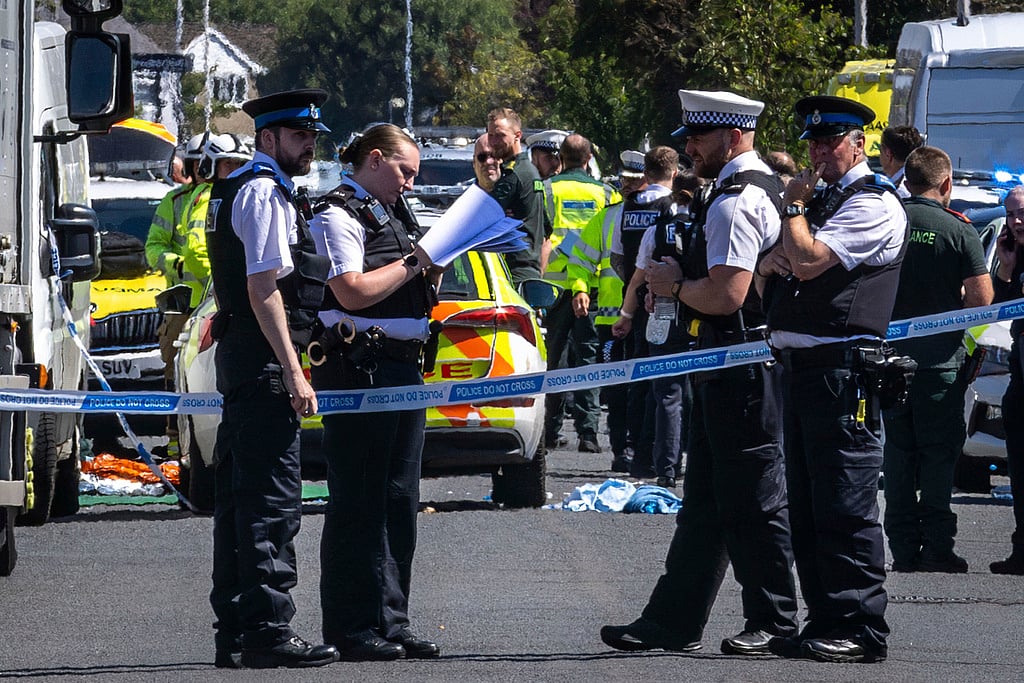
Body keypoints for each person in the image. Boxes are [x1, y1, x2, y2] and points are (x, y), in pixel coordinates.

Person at [601, 90, 797, 657]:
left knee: (754, 502)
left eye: (699, 137)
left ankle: (775, 620)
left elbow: (727, 294)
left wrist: (673, 287)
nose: (689, 147)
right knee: (707, 503)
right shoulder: (755, 187)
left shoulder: (736, 199)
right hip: (729, 366)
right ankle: (673, 620)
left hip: (741, 366)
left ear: (733, 136)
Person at [757, 95, 908, 663]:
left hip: (844, 371)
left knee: (845, 502)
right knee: (808, 503)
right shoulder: (828, 199)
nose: (820, 152)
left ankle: (860, 626)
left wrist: (795, 215)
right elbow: (775, 260)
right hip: (803, 368)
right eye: (814, 143)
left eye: (831, 141)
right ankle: (825, 617)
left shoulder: (872, 203)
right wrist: (791, 242)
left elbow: (806, 260)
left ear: (859, 143)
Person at [204, 89, 338, 670]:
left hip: (246, 357)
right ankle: (266, 629)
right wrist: (292, 369)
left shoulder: (250, 188)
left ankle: (238, 627)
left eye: (313, 136)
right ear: (268, 140)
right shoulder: (262, 192)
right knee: (271, 502)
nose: (310, 144)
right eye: (299, 136)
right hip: (261, 362)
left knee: (241, 500)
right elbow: (264, 290)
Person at [307, 123, 441, 661]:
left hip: (403, 368)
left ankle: (392, 618)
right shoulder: (337, 212)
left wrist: (437, 259)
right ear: (376, 159)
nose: (410, 183)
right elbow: (352, 292)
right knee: (358, 500)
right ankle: (351, 625)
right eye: (405, 171)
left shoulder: (397, 211)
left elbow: (417, 285)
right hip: (359, 367)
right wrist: (416, 262)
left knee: (399, 501)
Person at [882, 146, 993, 574]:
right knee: (936, 457)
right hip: (940, 365)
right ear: (946, 183)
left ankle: (904, 548)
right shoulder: (958, 230)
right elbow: (982, 301)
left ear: (906, 180)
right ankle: (938, 547)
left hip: (888, 363)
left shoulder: (887, 220)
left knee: (897, 455)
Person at [565, 150, 644, 472]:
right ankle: (621, 450)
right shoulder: (607, 216)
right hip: (611, 319)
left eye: (634, 181)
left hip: (649, 318)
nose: (627, 186)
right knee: (618, 389)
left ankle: (643, 448)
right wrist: (580, 289)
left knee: (646, 388)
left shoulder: (662, 211)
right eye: (625, 180)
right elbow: (580, 259)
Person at [543, 133, 622, 453]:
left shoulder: (547, 190)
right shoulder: (606, 193)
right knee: (589, 359)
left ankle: (550, 430)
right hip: (592, 287)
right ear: (589, 159)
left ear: (561, 158)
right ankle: (588, 433)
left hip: (552, 287)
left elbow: (538, 235)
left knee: (554, 360)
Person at [611, 148, 686, 484]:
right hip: (674, 304)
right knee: (674, 387)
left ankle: (639, 455)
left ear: (646, 172)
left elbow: (617, 257)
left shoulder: (628, 207)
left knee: (642, 381)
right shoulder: (675, 208)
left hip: (639, 301)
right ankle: (668, 459)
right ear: (674, 171)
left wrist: (631, 297)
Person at [146, 132, 205, 457]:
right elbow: (153, 246)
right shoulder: (176, 201)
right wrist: (178, 265)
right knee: (175, 374)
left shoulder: (228, 196)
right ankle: (174, 444)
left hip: (220, 303)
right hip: (184, 305)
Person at [991, 185, 1024, 575]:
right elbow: (997, 308)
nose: (1017, 221)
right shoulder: (1012, 252)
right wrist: (1005, 267)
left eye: (1023, 213)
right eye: (1012, 214)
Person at [486, 107, 548, 283]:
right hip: (528, 273)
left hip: (513, 273)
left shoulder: (513, 175)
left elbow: (479, 221)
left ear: (517, 135)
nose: (494, 141)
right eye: (490, 135)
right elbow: (546, 227)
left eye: (500, 136)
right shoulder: (530, 171)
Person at [879, 126, 924, 198]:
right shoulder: (917, 178)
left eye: (880, 151)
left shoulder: (900, 191)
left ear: (888, 153)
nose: (879, 156)